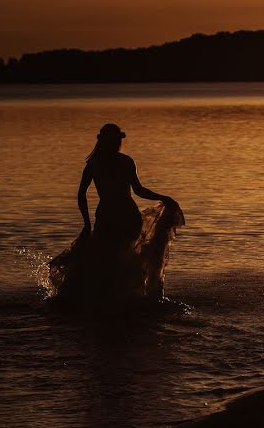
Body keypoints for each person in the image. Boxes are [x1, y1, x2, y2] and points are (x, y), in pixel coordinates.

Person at [48, 123, 184, 304]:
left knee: (109, 258)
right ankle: (122, 297)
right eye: (116, 140)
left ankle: (114, 298)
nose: (117, 143)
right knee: (118, 257)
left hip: (116, 216)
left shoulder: (102, 163)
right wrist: (87, 224)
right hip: (118, 216)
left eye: (117, 140)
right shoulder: (114, 162)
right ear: (107, 141)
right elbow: (138, 190)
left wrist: (162, 197)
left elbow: (85, 194)